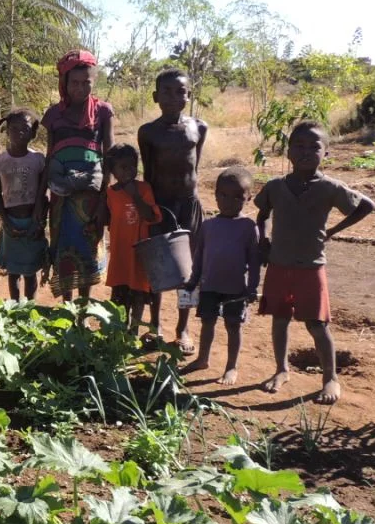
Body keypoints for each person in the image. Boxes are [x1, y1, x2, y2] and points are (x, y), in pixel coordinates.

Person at [255, 121, 375, 404]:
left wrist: (332, 232)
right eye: (299, 145)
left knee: (317, 325)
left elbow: (367, 205)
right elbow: (262, 214)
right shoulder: (275, 187)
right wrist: (263, 238)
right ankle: (281, 369)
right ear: (287, 152)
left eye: (314, 146)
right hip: (279, 265)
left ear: (327, 153)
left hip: (311, 267)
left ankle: (330, 378)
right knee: (280, 320)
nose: (306, 151)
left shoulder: (330, 188)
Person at [138, 69, 208, 352]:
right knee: (159, 268)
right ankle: (155, 325)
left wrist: (188, 196)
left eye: (180, 91)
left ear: (188, 95)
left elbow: (195, 167)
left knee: (188, 272)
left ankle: (183, 328)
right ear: (155, 97)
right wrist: (151, 209)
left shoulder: (198, 128)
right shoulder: (148, 132)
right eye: (166, 91)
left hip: (188, 205)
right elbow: (149, 173)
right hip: (161, 207)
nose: (173, 97)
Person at [41, 50, 114, 302]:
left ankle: (83, 308)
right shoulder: (53, 115)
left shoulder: (103, 112)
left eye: (86, 83)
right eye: (74, 83)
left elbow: (110, 156)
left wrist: (105, 200)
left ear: (94, 81)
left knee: (87, 250)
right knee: (63, 249)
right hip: (61, 198)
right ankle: (68, 307)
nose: (80, 88)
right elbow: (49, 156)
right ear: (64, 83)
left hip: (91, 198)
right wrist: (43, 197)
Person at [182, 167, 261, 385]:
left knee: (233, 326)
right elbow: (199, 256)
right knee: (207, 322)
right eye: (223, 195)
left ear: (248, 199)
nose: (229, 201)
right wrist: (193, 280)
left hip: (236, 288)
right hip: (209, 285)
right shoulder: (208, 226)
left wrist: (253, 287)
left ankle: (231, 367)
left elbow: (254, 261)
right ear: (216, 194)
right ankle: (202, 359)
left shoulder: (248, 227)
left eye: (238, 197)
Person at [103, 143, 161, 334]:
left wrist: (135, 196)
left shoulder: (144, 189)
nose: (129, 171)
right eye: (123, 167)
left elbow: (151, 216)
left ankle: (134, 331)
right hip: (120, 254)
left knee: (138, 293)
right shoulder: (111, 193)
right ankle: (119, 331)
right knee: (120, 295)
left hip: (138, 254)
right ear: (112, 170)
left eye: (132, 166)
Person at [0, 107, 47, 300]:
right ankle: (14, 307)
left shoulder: (38, 160)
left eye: (25, 128)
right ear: (7, 131)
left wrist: (39, 222)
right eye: (14, 128)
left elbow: (43, 194)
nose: (19, 132)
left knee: (30, 271)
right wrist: (5, 221)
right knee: (13, 271)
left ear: (32, 133)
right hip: (11, 223)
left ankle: (29, 308)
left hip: (32, 221)